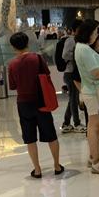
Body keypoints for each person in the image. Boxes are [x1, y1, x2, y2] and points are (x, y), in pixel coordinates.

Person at [8, 32, 63, 178]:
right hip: (41, 100)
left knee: (30, 138)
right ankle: (57, 166)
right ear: (27, 43)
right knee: (51, 134)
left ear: (13, 47)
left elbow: (13, 86)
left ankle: (37, 169)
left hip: (23, 104)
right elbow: (46, 74)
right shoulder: (37, 58)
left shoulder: (12, 64)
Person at [74, 20, 99, 175]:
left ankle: (93, 157)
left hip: (91, 91)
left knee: (94, 125)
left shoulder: (81, 47)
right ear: (88, 33)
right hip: (93, 92)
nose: (96, 36)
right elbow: (95, 71)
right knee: (95, 126)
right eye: (95, 32)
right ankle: (96, 162)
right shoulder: (84, 49)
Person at [61, 19, 84, 133]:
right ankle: (77, 123)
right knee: (74, 99)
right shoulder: (71, 40)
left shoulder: (78, 40)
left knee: (72, 99)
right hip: (70, 73)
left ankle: (66, 123)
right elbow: (65, 55)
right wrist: (77, 55)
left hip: (74, 73)